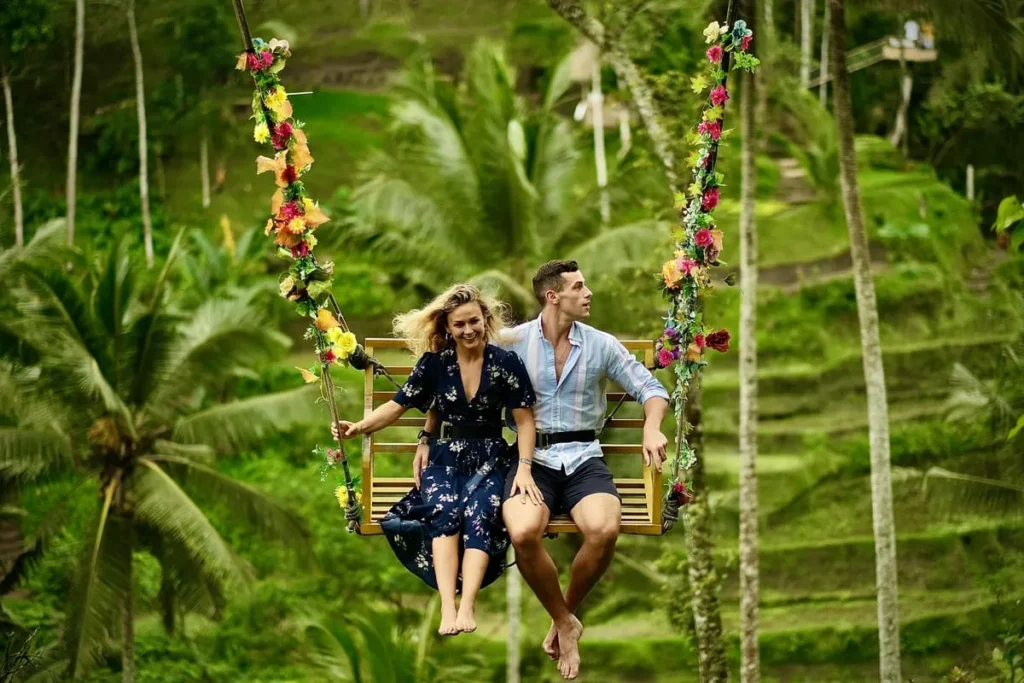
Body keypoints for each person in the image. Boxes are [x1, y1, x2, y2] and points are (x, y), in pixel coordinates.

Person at [420, 260, 670, 679]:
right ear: (554, 296)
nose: (588, 293)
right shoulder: (512, 342)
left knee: (605, 529)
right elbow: (450, 371)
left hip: (585, 457)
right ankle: (566, 622)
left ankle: (563, 618)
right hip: (530, 462)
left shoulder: (602, 344)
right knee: (522, 531)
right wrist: (427, 435)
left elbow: (652, 388)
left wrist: (652, 427)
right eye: (579, 286)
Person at [333, 284, 540, 636]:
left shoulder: (506, 363)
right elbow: (397, 405)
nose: (468, 330)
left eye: (474, 321)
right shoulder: (436, 364)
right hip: (446, 457)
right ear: (448, 328)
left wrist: (524, 467)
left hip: (491, 456)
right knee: (443, 510)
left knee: (481, 512)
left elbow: (524, 422)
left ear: (486, 320)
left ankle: (468, 603)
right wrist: (360, 426)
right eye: (459, 325)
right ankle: (447, 606)